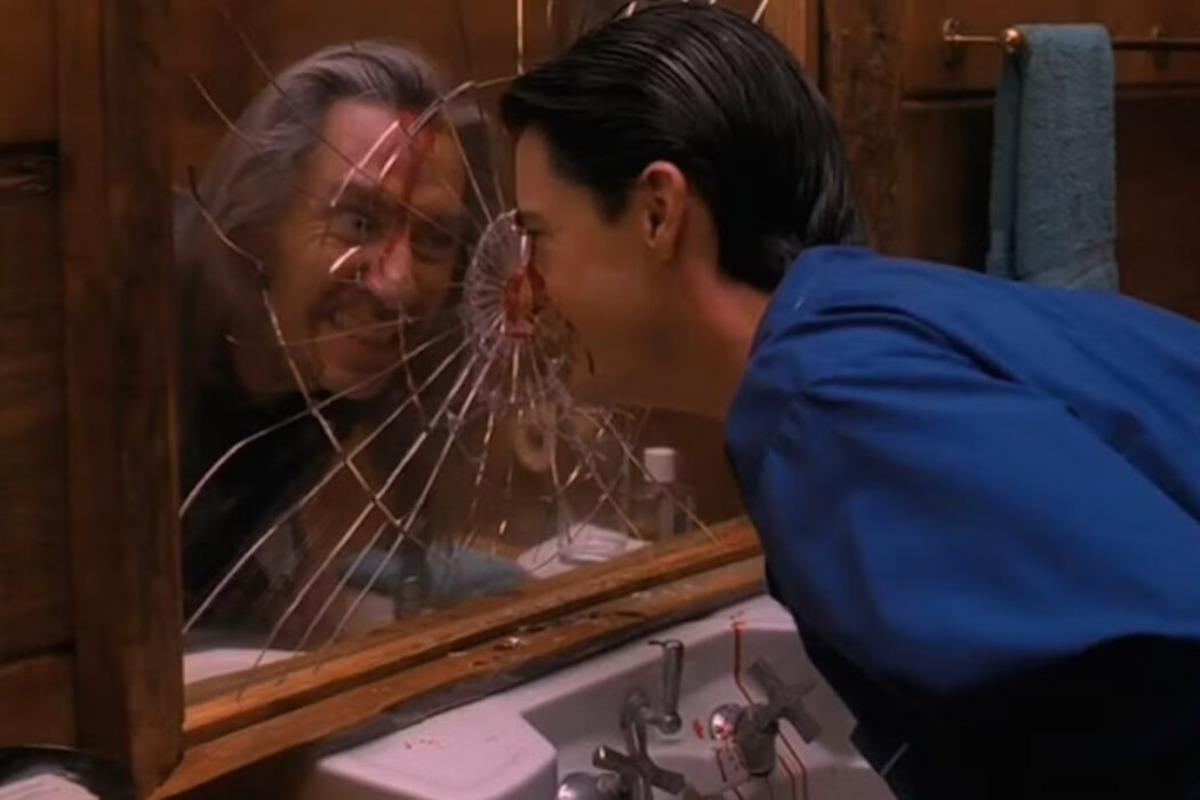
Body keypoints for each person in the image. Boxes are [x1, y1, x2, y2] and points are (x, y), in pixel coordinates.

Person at [500, 5, 1200, 798]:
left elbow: (1166, 676)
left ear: (657, 213)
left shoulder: (823, 408)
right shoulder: (861, 315)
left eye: (539, 238)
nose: (523, 294)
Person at [176, 41, 524, 646]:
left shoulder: (336, 373)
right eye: (359, 222)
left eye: (434, 240)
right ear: (258, 226)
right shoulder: (139, 324)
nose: (398, 285)